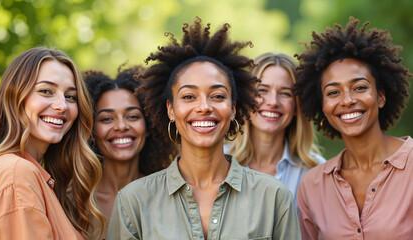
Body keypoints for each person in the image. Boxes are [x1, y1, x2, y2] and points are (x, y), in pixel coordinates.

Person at [106, 17, 301, 240]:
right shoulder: (134, 201)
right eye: (189, 96)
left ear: (233, 109)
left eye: (217, 96)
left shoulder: (274, 196)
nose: (204, 107)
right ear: (171, 109)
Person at [295, 17, 412, 239]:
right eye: (333, 92)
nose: (347, 100)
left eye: (359, 87)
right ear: (323, 107)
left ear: (381, 97)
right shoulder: (312, 186)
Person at [0, 47, 104, 239]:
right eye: (46, 91)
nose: (62, 106)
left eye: (70, 96)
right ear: (15, 97)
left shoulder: (38, 177)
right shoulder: (17, 173)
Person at [83, 66, 175, 239]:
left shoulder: (171, 196)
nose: (121, 126)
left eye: (132, 116)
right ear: (92, 132)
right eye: (107, 119)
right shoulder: (73, 201)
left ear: (148, 126)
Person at [227, 52, 325, 206]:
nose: (273, 102)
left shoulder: (316, 172)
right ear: (245, 100)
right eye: (262, 91)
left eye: (285, 93)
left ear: (296, 107)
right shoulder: (219, 161)